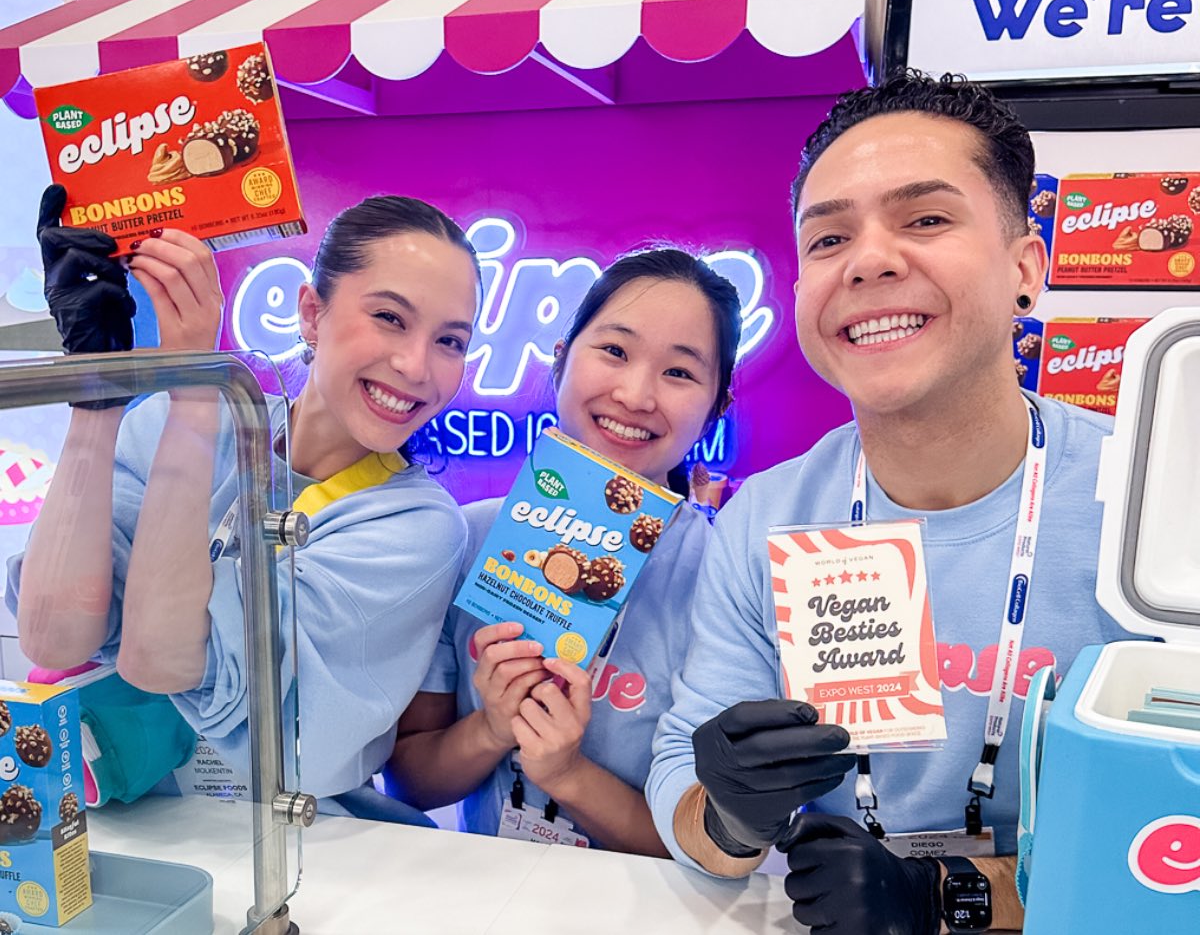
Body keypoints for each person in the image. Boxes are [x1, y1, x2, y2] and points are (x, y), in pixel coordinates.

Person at [647, 72, 1136, 932]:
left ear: (1027, 267)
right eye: (828, 239)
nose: (869, 260)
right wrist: (728, 812)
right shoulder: (767, 515)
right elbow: (684, 798)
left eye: (926, 219)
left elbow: (1178, 825)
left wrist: (957, 898)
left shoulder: (1150, 501)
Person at [8, 187, 480, 813]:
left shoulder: (414, 527)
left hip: (293, 852)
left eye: (450, 341)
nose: (417, 366)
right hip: (132, 826)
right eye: (390, 318)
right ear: (312, 313)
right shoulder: (188, 427)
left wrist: (197, 389)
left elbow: (160, 661)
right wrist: (97, 386)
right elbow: (52, 636)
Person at [386, 249, 741, 854]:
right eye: (614, 351)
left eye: (679, 372)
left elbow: (723, 842)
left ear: (715, 410)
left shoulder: (728, 574)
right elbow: (408, 781)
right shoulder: (465, 539)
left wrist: (568, 775)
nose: (634, 394)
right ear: (560, 361)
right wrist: (491, 728)